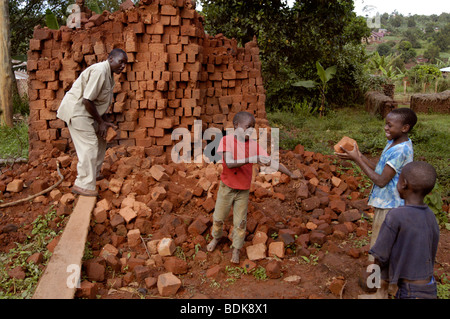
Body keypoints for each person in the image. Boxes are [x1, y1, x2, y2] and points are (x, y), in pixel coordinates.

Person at [206, 111, 298, 264]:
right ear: (236, 126)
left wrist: (289, 173)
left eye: (253, 128)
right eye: (248, 127)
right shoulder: (227, 141)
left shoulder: (254, 146)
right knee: (219, 217)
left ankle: (236, 248)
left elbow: (270, 161)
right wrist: (253, 158)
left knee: (240, 222)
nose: (251, 130)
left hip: (243, 190)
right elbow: (228, 163)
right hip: (226, 188)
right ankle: (216, 237)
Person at [335, 108, 417, 252]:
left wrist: (357, 160)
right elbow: (379, 169)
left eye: (390, 125)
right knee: (383, 243)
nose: (386, 127)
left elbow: (381, 181)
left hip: (391, 206)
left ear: (404, 128)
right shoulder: (393, 142)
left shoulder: (400, 150)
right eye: (386, 124)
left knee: (383, 246)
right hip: (386, 202)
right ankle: (381, 271)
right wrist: (358, 156)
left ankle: (381, 273)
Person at [57, 48, 128, 196]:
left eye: (125, 63)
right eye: (120, 62)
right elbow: (87, 100)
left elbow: (98, 102)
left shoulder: (109, 75)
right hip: (78, 112)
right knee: (89, 145)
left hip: (87, 113)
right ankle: (82, 184)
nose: (123, 66)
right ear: (111, 59)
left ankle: (93, 174)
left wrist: (105, 122)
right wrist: (100, 122)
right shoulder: (100, 71)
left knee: (101, 139)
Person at [369, 161, 440, 299]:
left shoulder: (396, 216)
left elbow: (381, 255)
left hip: (410, 291)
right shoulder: (430, 215)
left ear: (403, 184)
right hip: (430, 287)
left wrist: (373, 276)